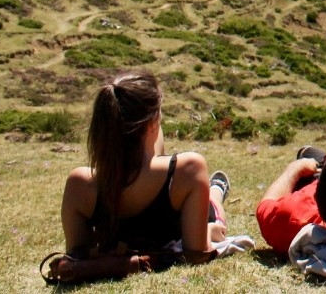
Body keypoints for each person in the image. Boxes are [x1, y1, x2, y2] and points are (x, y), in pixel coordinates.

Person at [60, 70, 229, 256]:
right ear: (152, 122)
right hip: (194, 216)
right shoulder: (188, 169)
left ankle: (215, 188)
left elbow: (77, 256)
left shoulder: (79, 184)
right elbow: (198, 252)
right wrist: (209, 231)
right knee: (212, 202)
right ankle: (216, 190)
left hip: (142, 139)